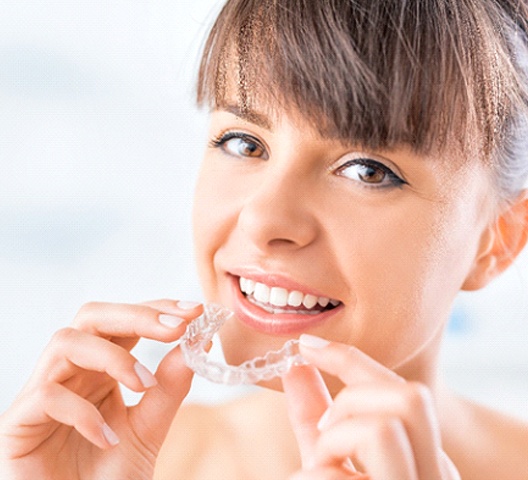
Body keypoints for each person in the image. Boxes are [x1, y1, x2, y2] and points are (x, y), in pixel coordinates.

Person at [1, 0, 528, 478]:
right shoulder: (106, 462)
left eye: (368, 171)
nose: (263, 221)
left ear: (496, 240)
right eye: (244, 142)